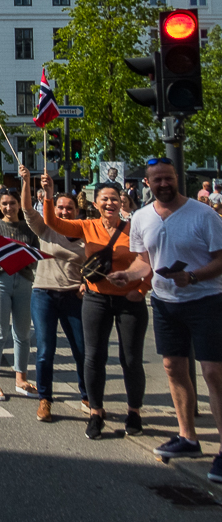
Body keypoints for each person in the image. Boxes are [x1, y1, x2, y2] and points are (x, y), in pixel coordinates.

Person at [108, 158, 222, 481]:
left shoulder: (204, 215)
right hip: (165, 303)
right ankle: (188, 437)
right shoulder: (142, 218)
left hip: (206, 301)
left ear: (177, 178)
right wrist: (126, 275)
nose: (163, 184)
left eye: (168, 178)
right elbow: (145, 262)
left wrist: (194, 277)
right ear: (147, 183)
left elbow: (220, 259)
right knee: (173, 368)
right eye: (156, 179)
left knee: (214, 372)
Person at [44, 175, 148, 440]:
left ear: (121, 201)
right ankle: (96, 412)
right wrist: (48, 195)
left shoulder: (133, 228)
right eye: (105, 199)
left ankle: (134, 411)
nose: (110, 203)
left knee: (131, 359)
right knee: (94, 357)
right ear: (95, 202)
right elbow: (54, 223)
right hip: (96, 298)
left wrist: (141, 289)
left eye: (115, 198)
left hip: (129, 299)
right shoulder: (87, 226)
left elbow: (149, 260)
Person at [20, 167, 88, 423]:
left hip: (74, 296)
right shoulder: (46, 229)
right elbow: (27, 210)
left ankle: (87, 396)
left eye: (69, 208)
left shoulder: (85, 234)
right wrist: (26, 182)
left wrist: (86, 282)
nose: (63, 211)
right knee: (45, 350)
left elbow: (95, 264)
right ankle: (45, 399)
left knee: (82, 349)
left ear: (77, 212)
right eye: (60, 207)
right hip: (44, 294)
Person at [0, 189, 39, 403]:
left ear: (19, 205)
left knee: (23, 332)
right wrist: (4, 264)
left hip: (23, 281)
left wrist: (25, 261)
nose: (8, 207)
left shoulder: (27, 228)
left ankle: (21, 378)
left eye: (12, 203)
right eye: (4, 203)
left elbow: (35, 253)